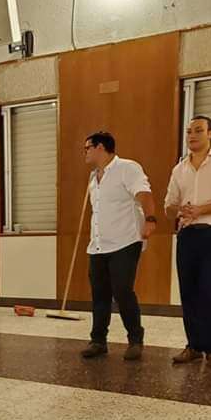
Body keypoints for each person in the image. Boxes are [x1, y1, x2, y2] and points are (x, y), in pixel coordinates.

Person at [79, 132, 156, 361]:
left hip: (125, 242)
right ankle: (98, 341)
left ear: (100, 147)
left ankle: (135, 340)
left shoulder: (127, 168)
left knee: (122, 291)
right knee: (99, 294)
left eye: (87, 148)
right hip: (98, 246)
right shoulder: (94, 177)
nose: (85, 152)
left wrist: (150, 220)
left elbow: (144, 194)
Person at [165, 115, 211, 369]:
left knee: (210, 291)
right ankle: (194, 345)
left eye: (198, 130)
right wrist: (180, 210)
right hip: (187, 236)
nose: (192, 135)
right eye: (189, 131)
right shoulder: (180, 168)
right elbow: (168, 206)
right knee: (189, 291)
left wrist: (201, 209)